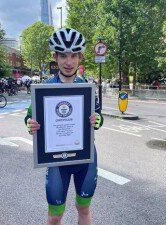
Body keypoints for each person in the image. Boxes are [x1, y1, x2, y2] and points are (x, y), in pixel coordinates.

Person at [24, 28, 104, 225]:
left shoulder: (87, 88)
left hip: (84, 159)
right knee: (55, 215)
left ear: (80, 57)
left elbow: (98, 115)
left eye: (73, 56)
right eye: (63, 56)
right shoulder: (43, 90)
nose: (69, 62)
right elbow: (29, 116)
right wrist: (30, 124)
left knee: (84, 209)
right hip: (57, 161)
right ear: (55, 57)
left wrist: (98, 120)